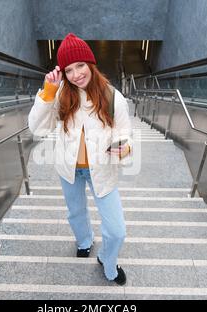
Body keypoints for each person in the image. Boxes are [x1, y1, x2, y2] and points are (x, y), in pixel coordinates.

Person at [28, 33, 133, 285]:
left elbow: (125, 133)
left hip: (103, 169)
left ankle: (108, 260)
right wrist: (48, 92)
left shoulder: (111, 96)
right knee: (76, 213)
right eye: (69, 69)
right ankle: (84, 241)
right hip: (70, 169)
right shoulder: (61, 93)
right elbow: (37, 129)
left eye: (80, 66)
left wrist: (124, 147)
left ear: (90, 64)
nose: (76, 74)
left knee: (117, 231)